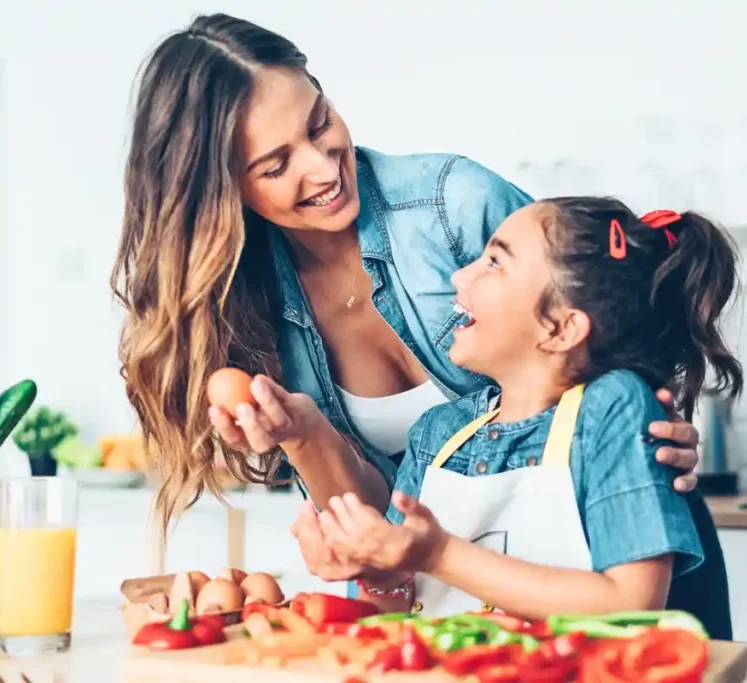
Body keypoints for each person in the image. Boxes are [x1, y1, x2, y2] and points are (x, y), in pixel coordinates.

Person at [110, 13, 702, 536]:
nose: (322, 169)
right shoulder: (241, 308)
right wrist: (303, 434)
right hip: (462, 604)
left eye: (319, 124)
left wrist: (656, 419)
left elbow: (607, 316)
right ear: (220, 192)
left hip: (615, 543)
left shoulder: (456, 205)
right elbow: (384, 528)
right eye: (276, 164)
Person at [295, 198, 742, 638]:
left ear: (560, 328)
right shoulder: (438, 433)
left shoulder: (611, 407)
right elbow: (392, 607)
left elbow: (631, 605)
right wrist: (374, 568)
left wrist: (439, 555)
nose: (460, 275)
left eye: (494, 262)